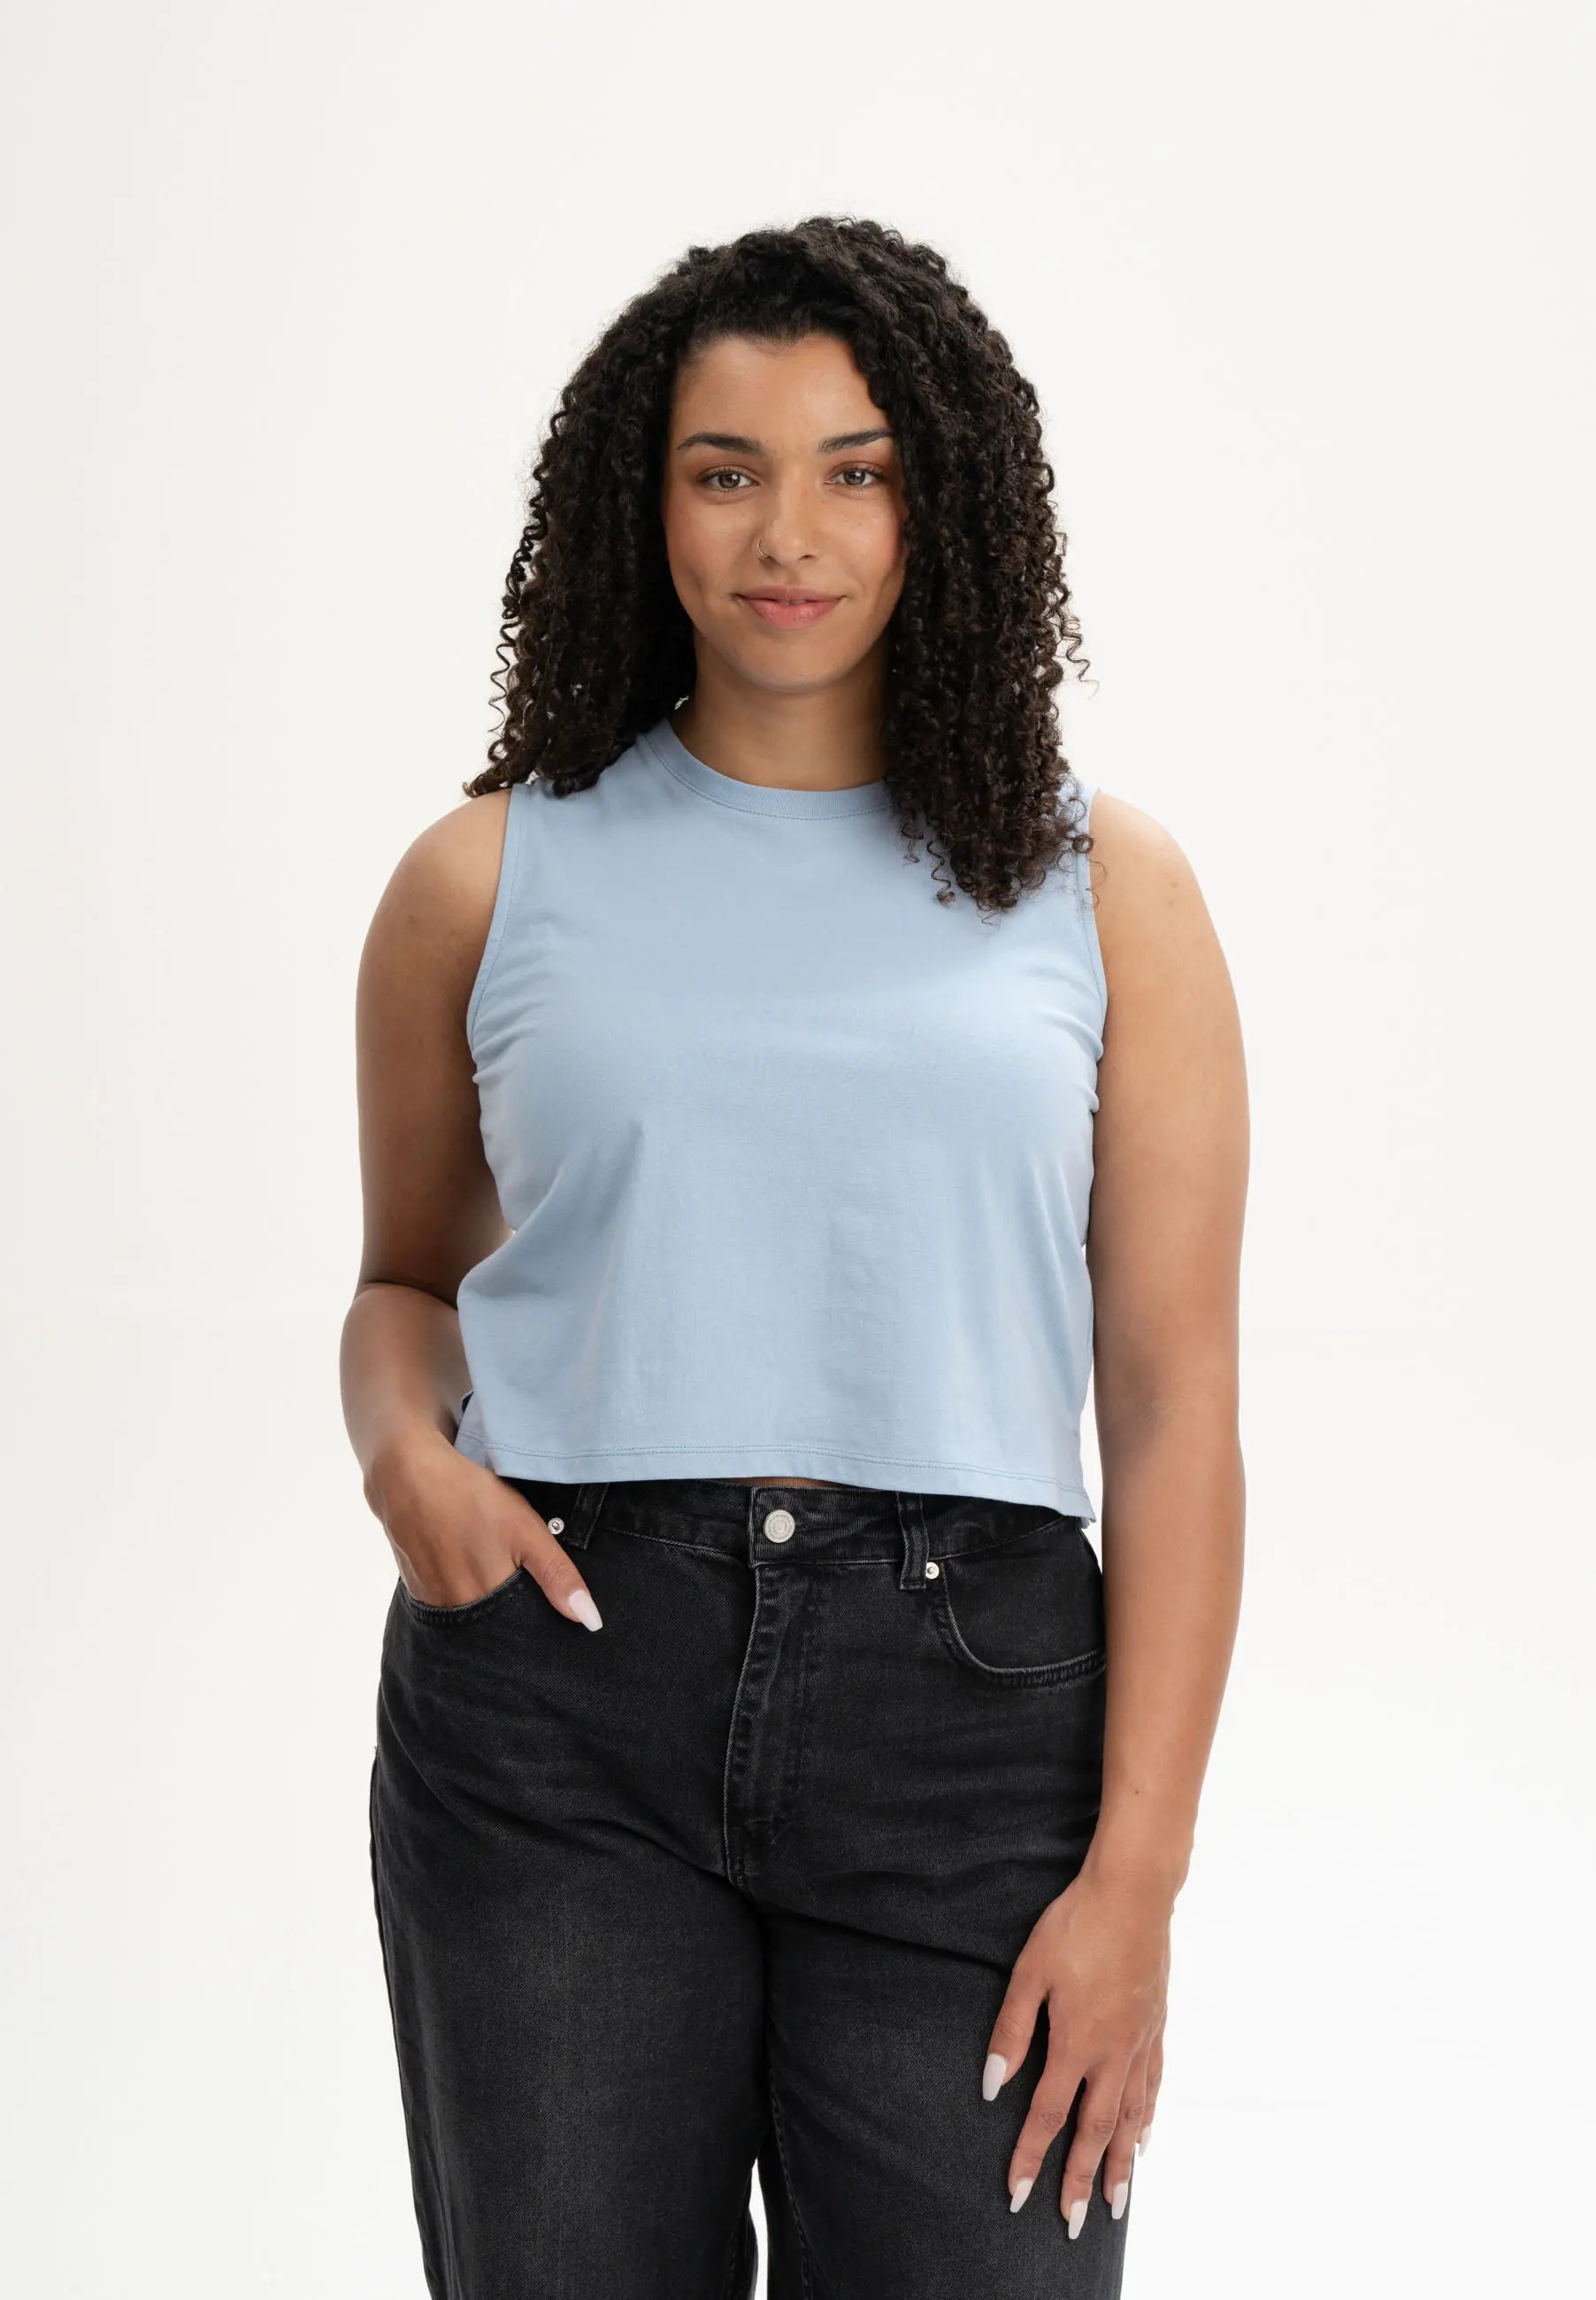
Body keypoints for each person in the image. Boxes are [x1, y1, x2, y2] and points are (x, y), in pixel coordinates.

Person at [341, 215, 1247, 2300]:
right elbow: (404, 1286)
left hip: (973, 1720)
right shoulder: (487, 875)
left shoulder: (1103, 888)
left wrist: (1137, 1877)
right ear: (641, 504)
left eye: (856, 471)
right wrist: (399, 1453)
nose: (789, 535)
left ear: (941, 505)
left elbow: (1171, 1401)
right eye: (723, 470)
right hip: (556, 1698)